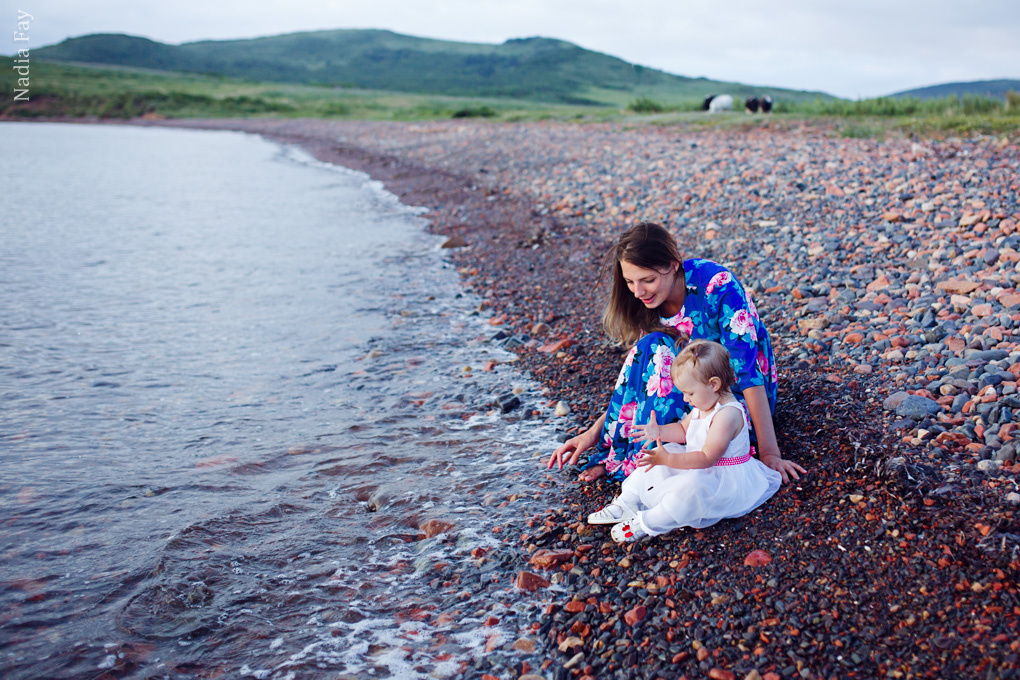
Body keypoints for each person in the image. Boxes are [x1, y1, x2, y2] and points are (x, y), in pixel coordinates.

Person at [546, 222, 805, 483]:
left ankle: (637, 465)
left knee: (658, 351)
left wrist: (770, 452)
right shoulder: (649, 301)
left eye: (648, 280)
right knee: (649, 348)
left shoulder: (717, 285)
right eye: (630, 282)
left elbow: (747, 373)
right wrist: (593, 434)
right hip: (689, 395)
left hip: (732, 404)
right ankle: (618, 455)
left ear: (673, 265)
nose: (638, 292)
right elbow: (640, 383)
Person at [587, 340, 782, 542]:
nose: (686, 399)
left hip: (721, 477)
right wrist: (658, 432)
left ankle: (648, 522)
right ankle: (626, 503)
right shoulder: (703, 404)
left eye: (689, 393)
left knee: (690, 489)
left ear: (714, 384)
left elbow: (707, 458)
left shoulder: (727, 415)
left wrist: (669, 460)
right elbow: (682, 430)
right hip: (697, 465)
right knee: (654, 462)